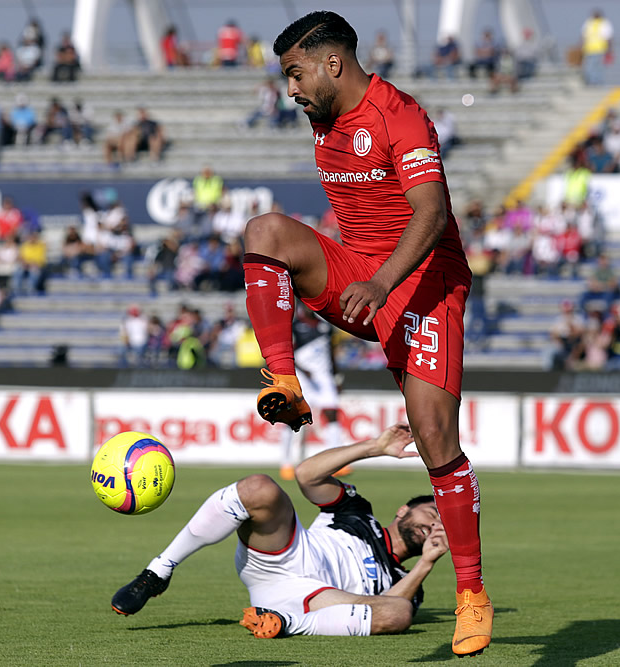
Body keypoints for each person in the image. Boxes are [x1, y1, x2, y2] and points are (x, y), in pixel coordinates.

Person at [239, 12, 490, 655]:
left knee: (434, 435)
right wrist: (367, 278)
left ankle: (470, 593)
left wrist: (381, 283)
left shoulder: (399, 116)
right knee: (265, 231)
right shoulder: (322, 116)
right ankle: (283, 379)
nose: (290, 89)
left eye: (296, 73)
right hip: (362, 276)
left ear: (333, 64)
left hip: (423, 281)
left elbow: (433, 213)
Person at [111, 424, 449, 640]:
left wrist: (427, 563)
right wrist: (372, 448)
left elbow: (393, 607)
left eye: (442, 526)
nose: (434, 524)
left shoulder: (407, 580)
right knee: (259, 488)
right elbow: (307, 475)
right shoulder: (358, 512)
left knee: (399, 612)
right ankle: (159, 571)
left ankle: (282, 622)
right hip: (289, 553)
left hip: (317, 598)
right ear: (403, 510)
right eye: (433, 513)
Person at [279, 305, 344, 481]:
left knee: (332, 415)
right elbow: (287, 352)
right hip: (302, 378)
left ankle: (336, 462)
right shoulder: (294, 326)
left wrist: (336, 377)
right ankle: (286, 463)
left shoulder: (325, 326)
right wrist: (301, 369)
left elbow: (331, 353)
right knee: (292, 418)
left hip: (324, 378)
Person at [581, 9, 613, 85]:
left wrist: (609, 50)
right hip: (589, 50)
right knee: (590, 68)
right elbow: (584, 36)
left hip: (599, 50)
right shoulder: (590, 23)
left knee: (596, 67)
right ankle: (593, 83)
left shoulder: (603, 23)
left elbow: (608, 38)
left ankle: (596, 83)